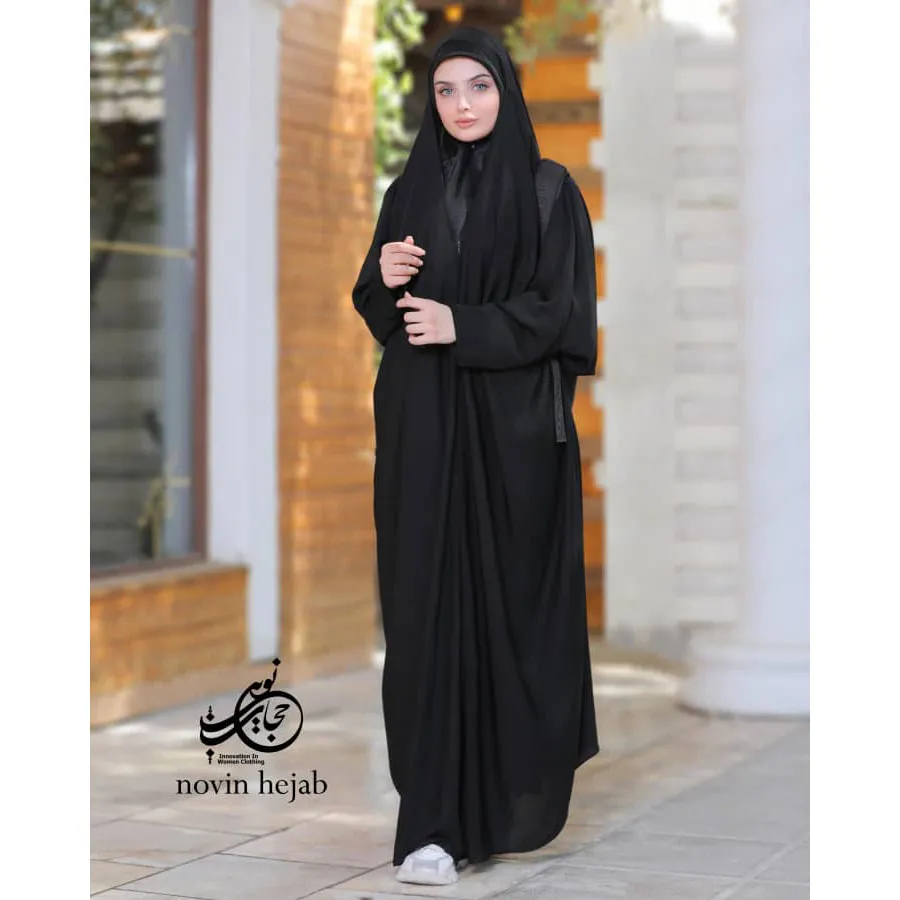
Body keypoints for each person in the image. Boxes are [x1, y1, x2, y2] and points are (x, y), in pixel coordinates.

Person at [351, 26, 600, 886]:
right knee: (422, 615)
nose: (461, 104)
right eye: (446, 90)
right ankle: (428, 825)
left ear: (506, 90)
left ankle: (495, 808)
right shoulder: (408, 191)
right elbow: (376, 307)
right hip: (421, 432)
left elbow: (562, 313)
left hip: (512, 442)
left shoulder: (548, 191)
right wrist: (384, 276)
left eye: (479, 86)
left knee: (508, 617)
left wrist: (464, 323)